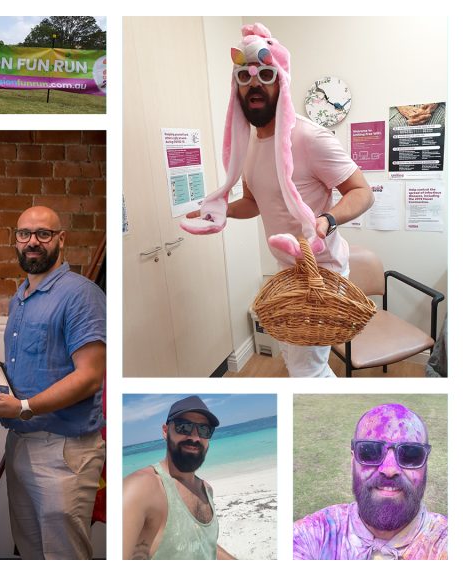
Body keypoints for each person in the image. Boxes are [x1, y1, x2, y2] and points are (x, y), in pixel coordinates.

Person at [180, 23, 374, 377]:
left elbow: (362, 192)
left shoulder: (310, 138)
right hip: (287, 271)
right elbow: (255, 201)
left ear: (280, 81)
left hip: (322, 272)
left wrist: (326, 220)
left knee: (306, 370)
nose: (254, 83)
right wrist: (218, 210)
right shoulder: (252, 145)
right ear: (235, 89)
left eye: (265, 75)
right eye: (244, 77)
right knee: (303, 363)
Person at [0, 206, 106, 559]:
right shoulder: (22, 297)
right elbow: (41, 366)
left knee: (64, 558)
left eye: (43, 234)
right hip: (20, 443)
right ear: (15, 240)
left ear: (61, 239)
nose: (33, 242)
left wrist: (25, 407)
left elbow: (90, 376)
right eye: (24, 234)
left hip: (64, 450)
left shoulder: (81, 294)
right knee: (31, 554)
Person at [293, 403, 447, 559]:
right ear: (353, 460)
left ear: (425, 463)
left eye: (411, 454)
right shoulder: (314, 534)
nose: (389, 469)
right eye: (370, 451)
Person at [122, 396, 236, 560]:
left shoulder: (206, 490)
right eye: (184, 427)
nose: (195, 437)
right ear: (165, 431)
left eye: (204, 430)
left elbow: (203, 543)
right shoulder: (141, 489)